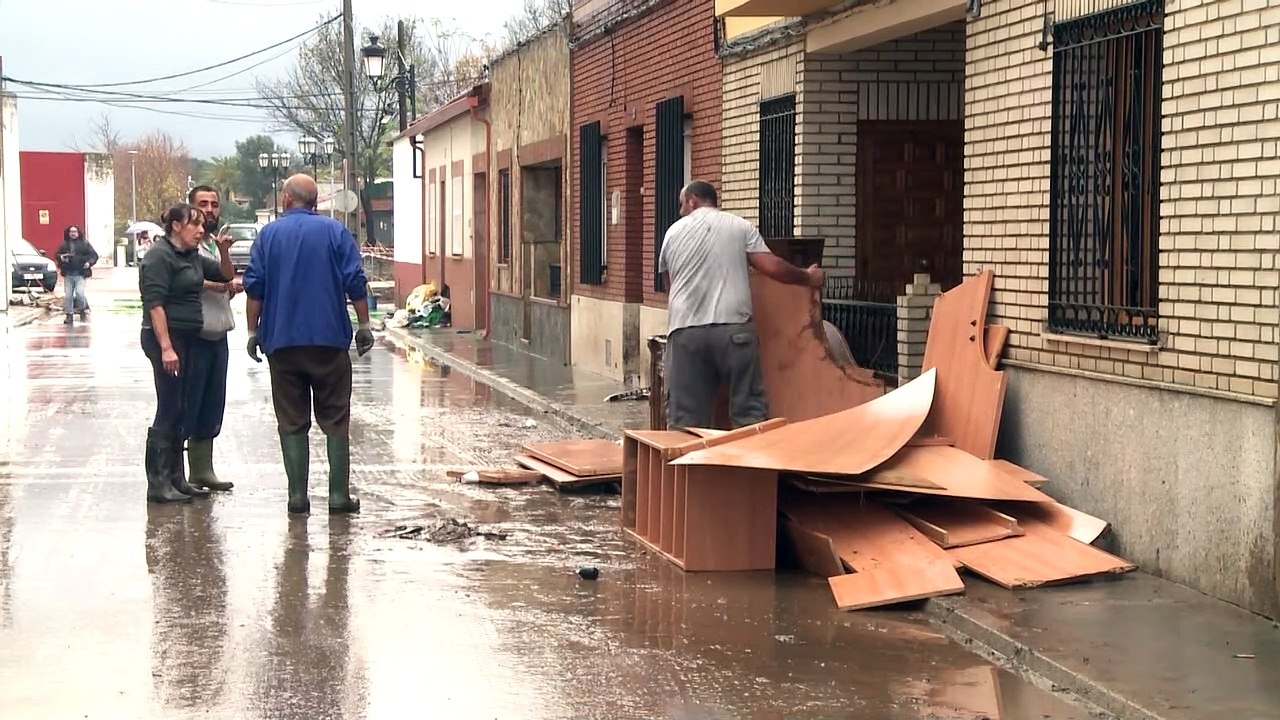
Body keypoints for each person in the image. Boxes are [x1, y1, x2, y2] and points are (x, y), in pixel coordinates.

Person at [243, 174, 374, 516]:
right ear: (314, 201)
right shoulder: (334, 232)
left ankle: (297, 498)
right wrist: (364, 324)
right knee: (335, 417)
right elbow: (354, 280)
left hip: (282, 342)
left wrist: (252, 331)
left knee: (291, 419)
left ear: (286, 198)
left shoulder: (269, 235)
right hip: (328, 341)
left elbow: (254, 286)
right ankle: (337, 496)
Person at [657, 180, 824, 430]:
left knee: (685, 421)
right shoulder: (739, 226)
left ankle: (688, 467)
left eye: (682, 205)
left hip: (686, 333)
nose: (680, 211)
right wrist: (808, 277)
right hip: (734, 333)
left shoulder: (672, 233)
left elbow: (671, 287)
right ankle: (749, 467)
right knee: (749, 416)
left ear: (692, 201)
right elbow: (772, 266)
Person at [139, 204, 235, 504]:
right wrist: (166, 348)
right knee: (169, 407)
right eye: (194, 224)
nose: (200, 230)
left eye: (203, 225)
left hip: (191, 338)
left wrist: (223, 251)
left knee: (182, 408)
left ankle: (178, 480)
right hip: (167, 339)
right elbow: (155, 305)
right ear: (176, 226)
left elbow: (224, 276)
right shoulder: (159, 256)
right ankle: (158, 483)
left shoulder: (191, 255)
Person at [185, 185, 240, 493]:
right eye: (203, 204)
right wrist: (220, 286)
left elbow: (226, 273)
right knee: (189, 403)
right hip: (194, 334)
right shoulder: (186, 245)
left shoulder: (215, 244)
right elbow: (188, 278)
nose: (210, 210)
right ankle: (182, 473)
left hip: (219, 331)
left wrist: (225, 254)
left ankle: (203, 470)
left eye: (214, 204)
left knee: (212, 403)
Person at [57, 225, 98, 325]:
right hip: (68, 274)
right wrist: (61, 258)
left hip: (80, 273)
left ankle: (82, 310)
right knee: (68, 296)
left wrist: (89, 263)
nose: (73, 233)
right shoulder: (64, 244)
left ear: (78, 232)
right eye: (71, 231)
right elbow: (57, 255)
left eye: (75, 231)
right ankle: (69, 315)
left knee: (80, 293)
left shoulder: (85, 244)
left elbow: (94, 255)